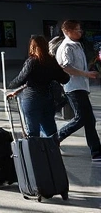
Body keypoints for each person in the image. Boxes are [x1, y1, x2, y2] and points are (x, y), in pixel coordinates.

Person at [55, 20, 101, 161]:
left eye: (80, 30)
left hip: (81, 86)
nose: (80, 32)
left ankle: (96, 151)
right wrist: (86, 74)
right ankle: (55, 138)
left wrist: (88, 72)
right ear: (67, 31)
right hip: (73, 87)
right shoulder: (67, 46)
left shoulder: (77, 45)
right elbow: (66, 67)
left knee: (89, 120)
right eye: (77, 30)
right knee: (81, 118)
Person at [7, 34, 70, 137]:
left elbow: (20, 79)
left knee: (33, 131)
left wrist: (9, 86)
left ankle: (35, 147)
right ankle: (52, 146)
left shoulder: (32, 62)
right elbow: (65, 79)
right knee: (50, 130)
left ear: (32, 47)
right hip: (47, 98)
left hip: (31, 98)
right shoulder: (51, 61)